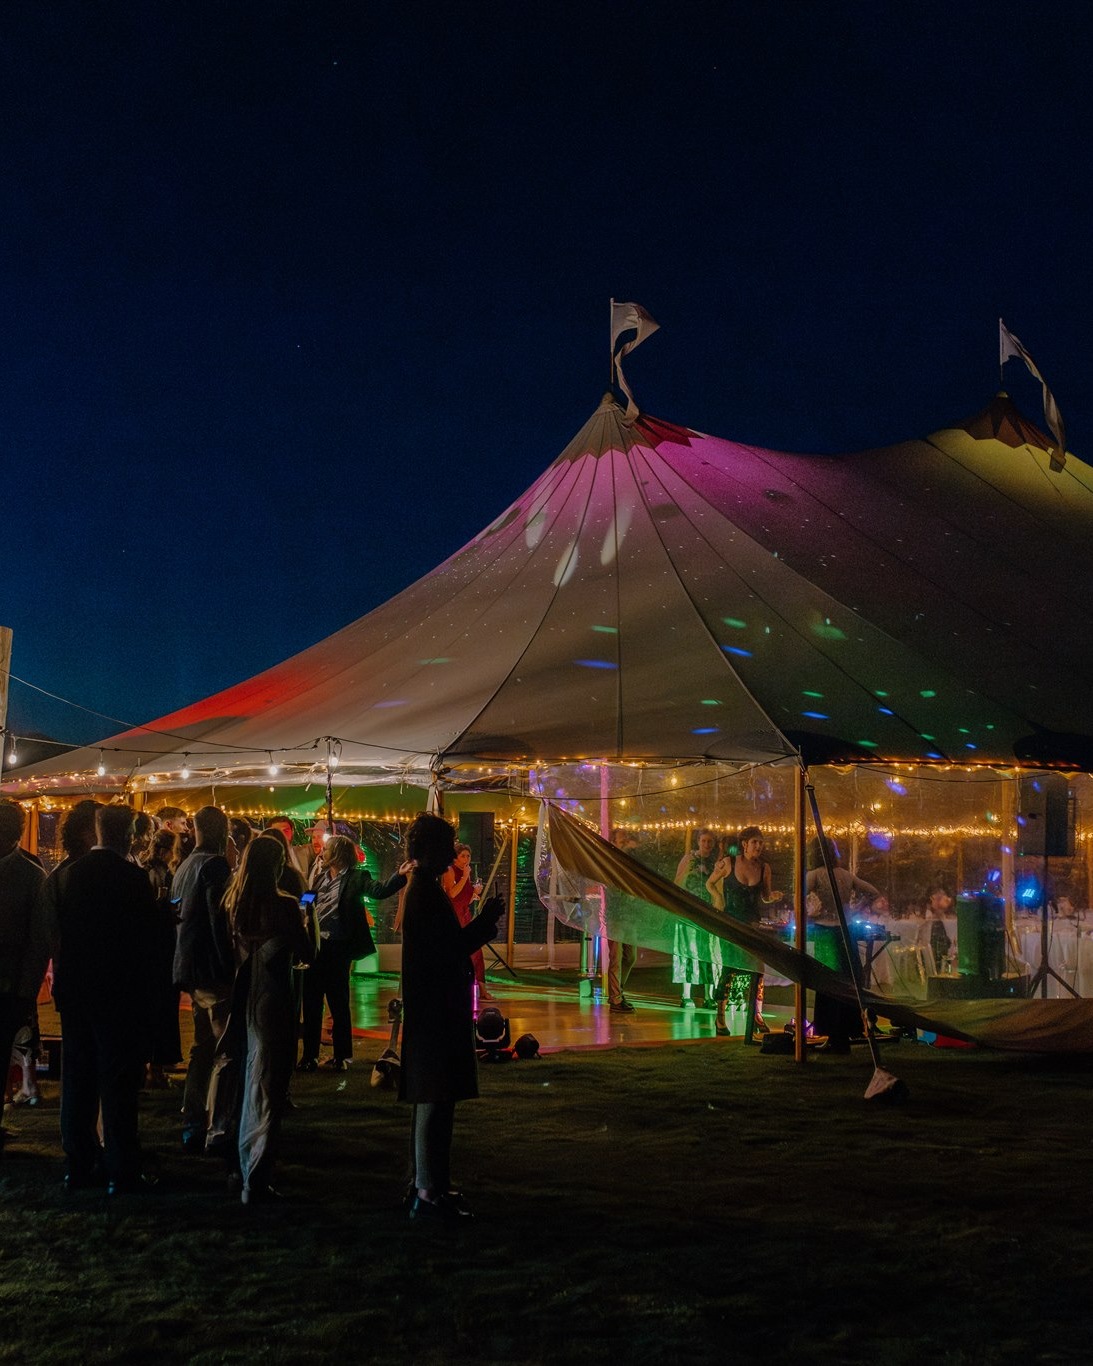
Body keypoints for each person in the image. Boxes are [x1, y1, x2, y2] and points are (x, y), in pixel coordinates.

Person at [398, 813, 504, 1221]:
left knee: (438, 1099)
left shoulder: (425, 888)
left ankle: (432, 1184)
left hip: (436, 1007)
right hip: (435, 1010)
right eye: (447, 844)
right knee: (436, 1099)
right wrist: (485, 922)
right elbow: (448, 947)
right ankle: (427, 1191)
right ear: (430, 849)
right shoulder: (424, 892)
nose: (452, 853)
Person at [53, 804, 157, 1194]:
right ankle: (121, 1169)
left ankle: (78, 1165)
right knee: (117, 1083)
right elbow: (141, 943)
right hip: (117, 993)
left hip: (76, 991)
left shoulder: (68, 876)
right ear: (127, 833)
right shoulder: (132, 877)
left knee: (77, 1080)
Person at [221, 836, 318, 1204]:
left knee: (248, 1079)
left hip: (244, 998)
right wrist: (308, 918)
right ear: (276, 866)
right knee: (271, 1085)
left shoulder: (236, 903)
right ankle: (257, 1177)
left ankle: (241, 1164)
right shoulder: (284, 905)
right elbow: (307, 953)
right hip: (274, 998)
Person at [298, 835, 411, 1072]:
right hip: (316, 947)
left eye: (327, 849)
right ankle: (309, 1057)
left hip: (338, 948)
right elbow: (308, 898)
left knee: (338, 1003)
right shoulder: (320, 876)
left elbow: (379, 891)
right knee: (311, 1003)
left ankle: (342, 1056)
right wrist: (300, 904)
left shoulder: (358, 877)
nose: (322, 852)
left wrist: (399, 876)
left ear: (338, 853)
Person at [172, 805, 235, 1153]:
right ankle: (217, 1124)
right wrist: (230, 964)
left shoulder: (184, 865)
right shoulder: (214, 864)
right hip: (212, 970)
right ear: (222, 830)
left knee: (201, 1048)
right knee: (224, 1048)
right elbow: (218, 919)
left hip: (189, 969)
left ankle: (193, 1118)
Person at [804, 838, 884, 1053]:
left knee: (827, 984)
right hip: (846, 932)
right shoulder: (845, 875)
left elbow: (797, 895)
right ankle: (845, 1035)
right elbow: (873, 891)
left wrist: (810, 913)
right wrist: (855, 909)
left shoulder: (814, 876)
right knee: (847, 984)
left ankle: (833, 1036)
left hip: (825, 931)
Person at [0, 800, 46, 1154]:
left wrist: (26, 987)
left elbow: (37, 938)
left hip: (10, 984)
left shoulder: (31, 874)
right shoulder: (31, 874)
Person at [705, 826, 782, 1036]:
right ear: (744, 844)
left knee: (757, 971)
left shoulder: (764, 867)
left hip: (752, 925)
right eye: (755, 842)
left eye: (761, 842)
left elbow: (764, 895)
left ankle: (756, 1015)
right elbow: (709, 883)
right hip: (731, 924)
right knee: (729, 969)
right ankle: (720, 1017)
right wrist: (718, 899)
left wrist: (773, 896)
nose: (758, 846)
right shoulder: (729, 863)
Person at [140, 827, 182, 1088]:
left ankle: (150, 1066)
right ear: (167, 851)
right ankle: (155, 1068)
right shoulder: (160, 874)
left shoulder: (145, 870)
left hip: (149, 953)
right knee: (162, 1009)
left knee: (150, 1010)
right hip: (161, 951)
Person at [672, 829, 721, 1008]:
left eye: (710, 842)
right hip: (690, 911)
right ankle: (686, 994)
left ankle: (709, 995)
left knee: (709, 952)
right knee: (688, 949)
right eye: (704, 841)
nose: (706, 845)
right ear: (698, 842)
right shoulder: (689, 859)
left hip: (707, 911)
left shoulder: (715, 863)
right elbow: (678, 881)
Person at [441, 843, 492, 1001]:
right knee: (459, 952)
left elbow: (463, 898)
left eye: (468, 856)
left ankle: (482, 989)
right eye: (463, 855)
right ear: (455, 857)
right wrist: (464, 877)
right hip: (454, 917)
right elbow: (452, 894)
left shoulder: (466, 871)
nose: (466, 859)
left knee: (476, 951)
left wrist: (474, 894)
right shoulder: (450, 870)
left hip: (465, 915)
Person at [605, 828, 639, 1014]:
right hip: (616, 916)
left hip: (629, 915)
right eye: (621, 840)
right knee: (616, 958)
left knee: (630, 956)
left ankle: (619, 989)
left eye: (626, 839)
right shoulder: (610, 863)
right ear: (614, 842)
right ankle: (616, 998)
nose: (625, 842)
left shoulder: (629, 862)